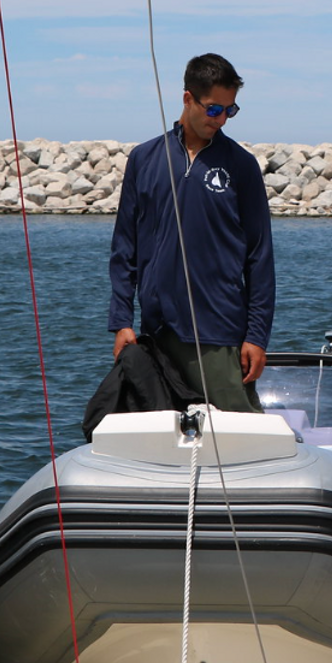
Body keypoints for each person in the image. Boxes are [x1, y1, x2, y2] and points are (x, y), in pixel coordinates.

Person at [108, 52, 275, 413]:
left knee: (240, 438)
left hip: (219, 334)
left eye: (230, 111)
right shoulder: (144, 159)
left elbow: (260, 257)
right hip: (156, 334)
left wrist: (257, 336)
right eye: (214, 109)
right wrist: (122, 320)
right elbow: (125, 249)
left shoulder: (242, 166)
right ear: (188, 99)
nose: (221, 120)